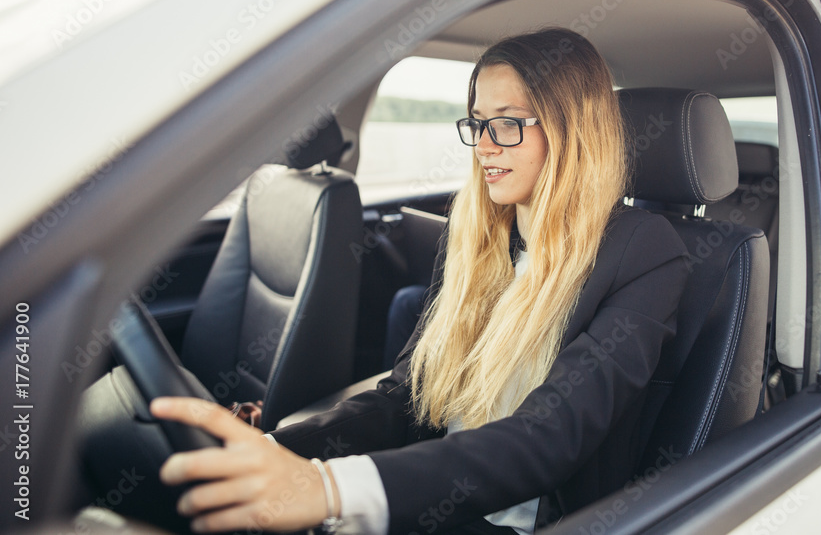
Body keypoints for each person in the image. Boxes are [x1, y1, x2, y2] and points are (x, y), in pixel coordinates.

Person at [151, 27, 689, 535]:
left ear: (572, 130)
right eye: (477, 122)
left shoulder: (644, 251)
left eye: (507, 122)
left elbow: (549, 437)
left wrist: (330, 488)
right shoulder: (474, 239)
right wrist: (275, 448)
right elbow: (404, 397)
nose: (483, 145)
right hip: (431, 505)